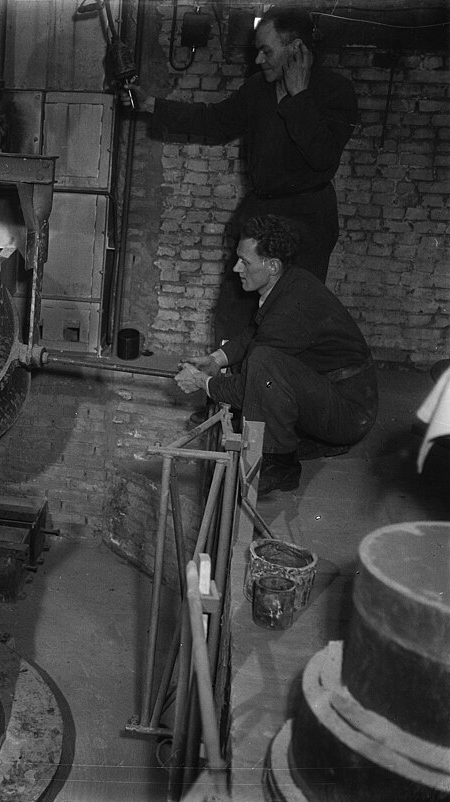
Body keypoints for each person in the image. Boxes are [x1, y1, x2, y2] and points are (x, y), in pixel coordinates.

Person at [130, 7, 359, 342]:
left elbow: (322, 156)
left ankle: (268, 390)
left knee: (290, 322)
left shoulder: (335, 92)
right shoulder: (258, 89)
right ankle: (224, 389)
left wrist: (300, 96)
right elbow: (214, 120)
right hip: (259, 217)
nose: (258, 60)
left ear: (295, 50)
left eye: (266, 51)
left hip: (307, 224)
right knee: (232, 314)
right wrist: (151, 104)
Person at [174, 215, 377, 496]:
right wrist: (217, 359)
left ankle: (280, 464)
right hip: (334, 393)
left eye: (245, 262)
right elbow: (255, 331)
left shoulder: (291, 308)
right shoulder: (289, 283)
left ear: (272, 266)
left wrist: (203, 383)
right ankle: (293, 439)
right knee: (262, 359)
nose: (236, 268)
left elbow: (250, 384)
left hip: (350, 413)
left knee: (262, 363)